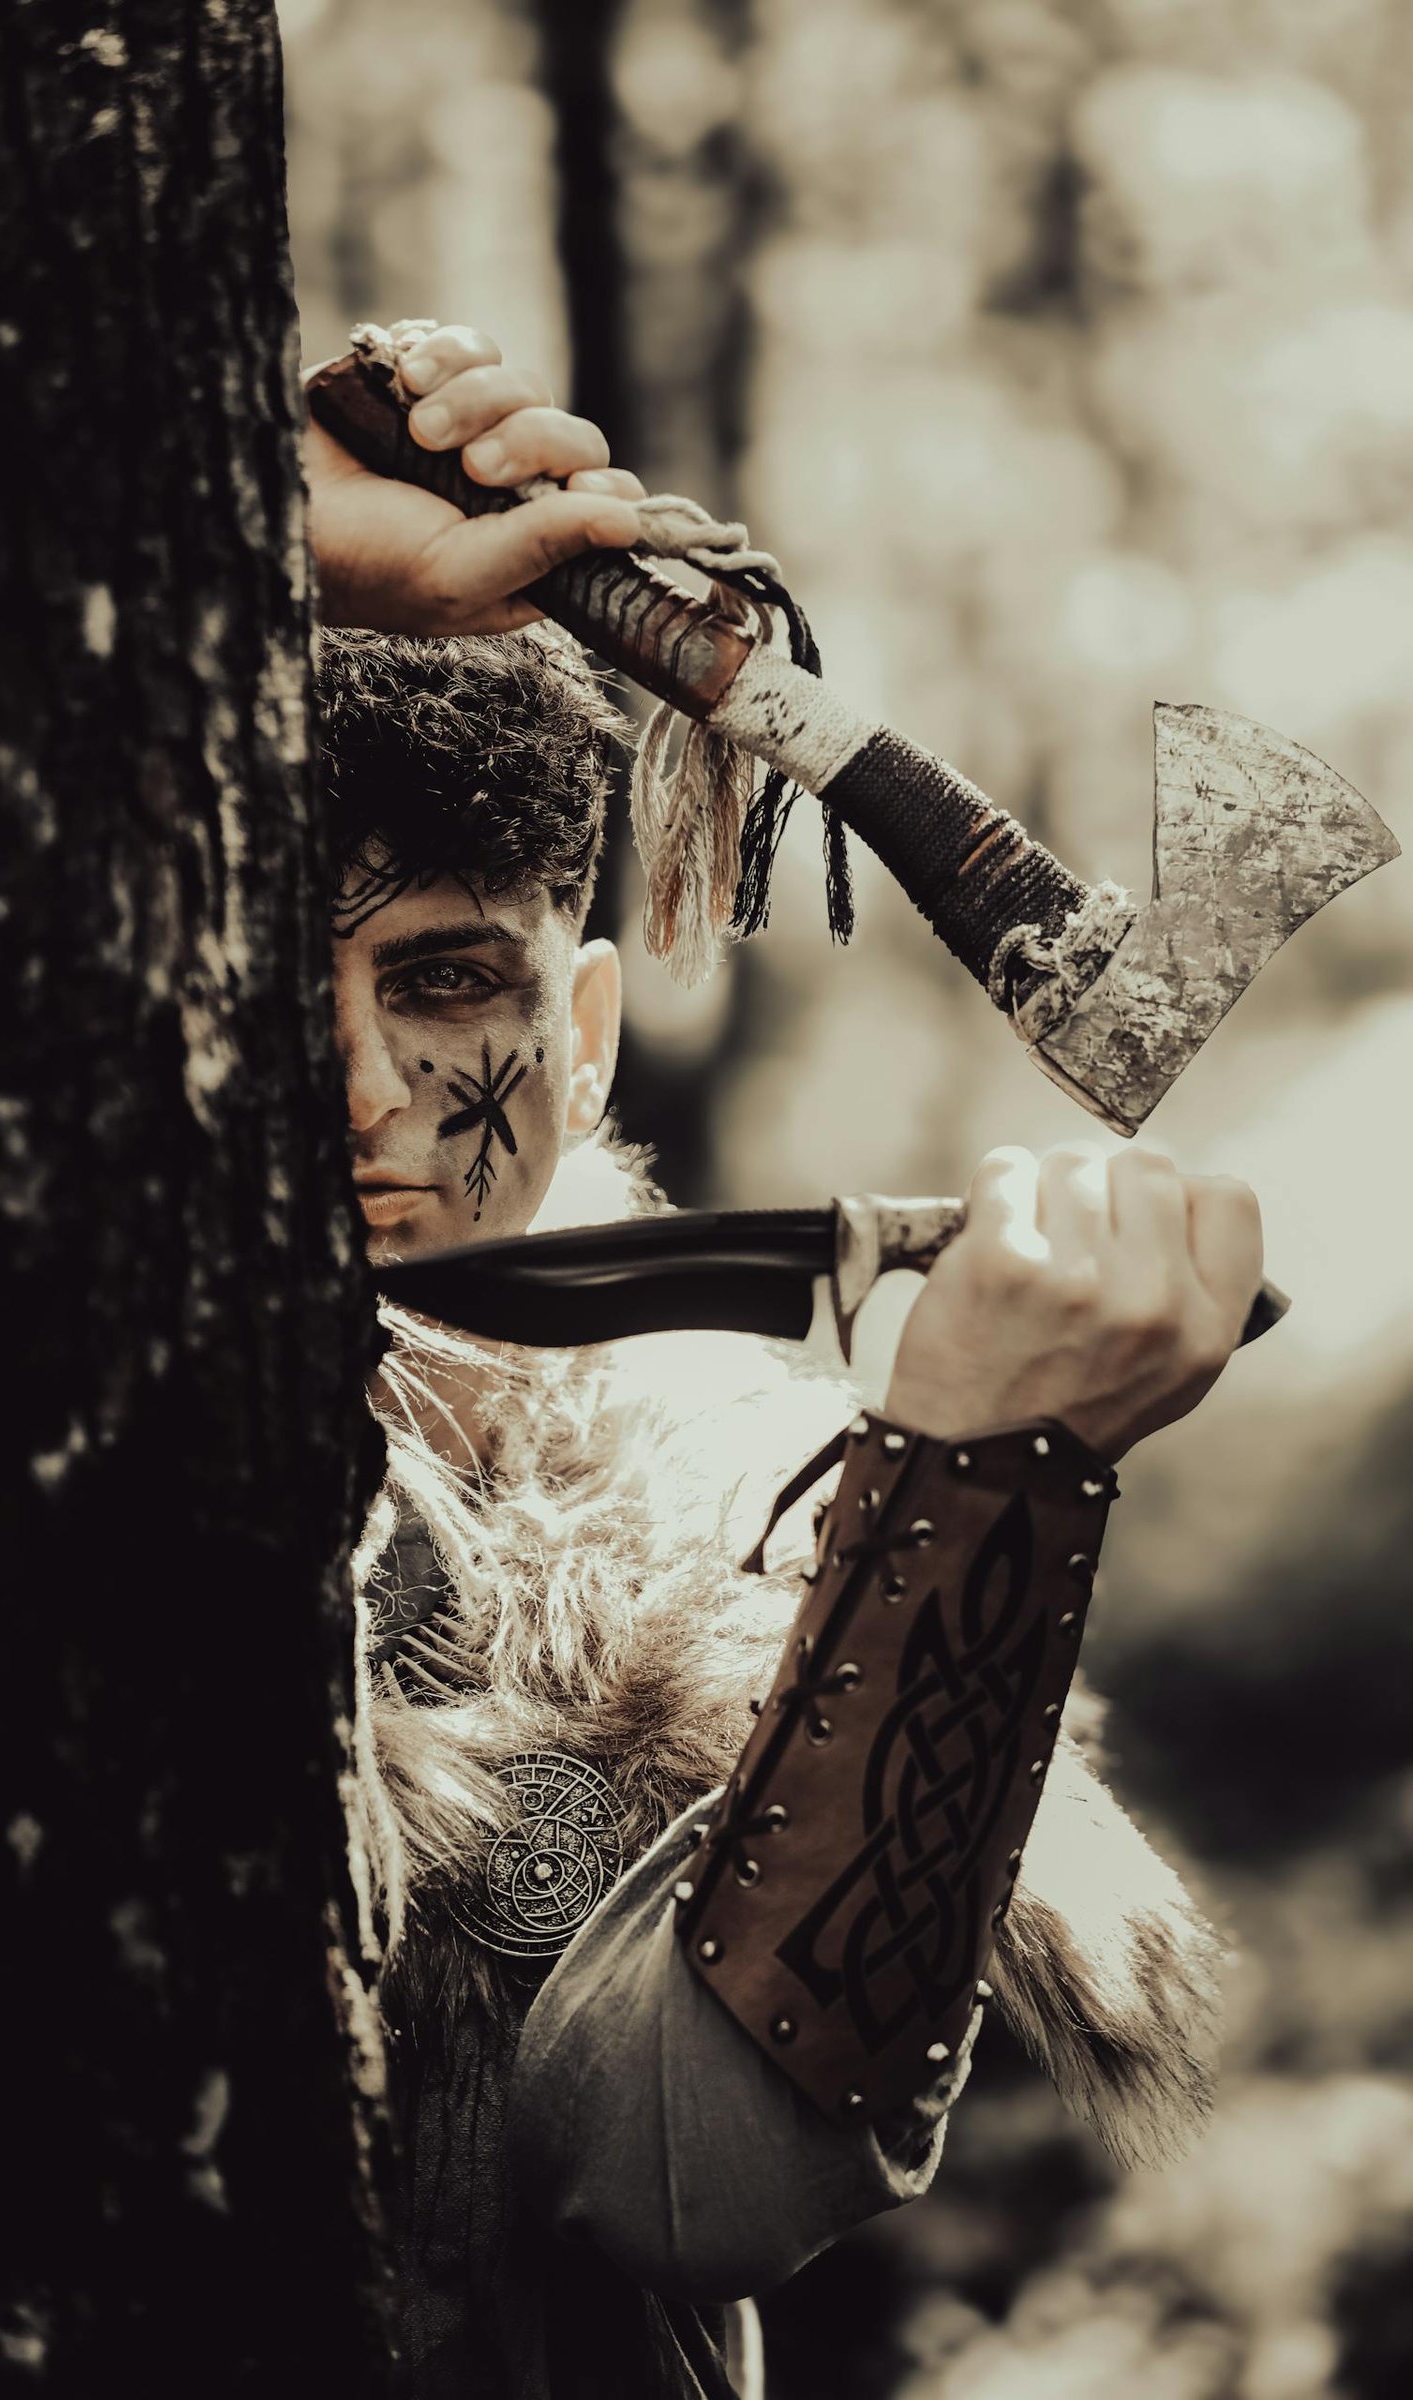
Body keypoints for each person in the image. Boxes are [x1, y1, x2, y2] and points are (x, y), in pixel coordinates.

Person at [303, 325, 1261, 2399]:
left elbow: (693, 2180)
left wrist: (979, 1488)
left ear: (576, 1039)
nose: (360, 1088)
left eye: (442, 984)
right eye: (266, 979)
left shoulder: (723, 1531)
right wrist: (255, 534)